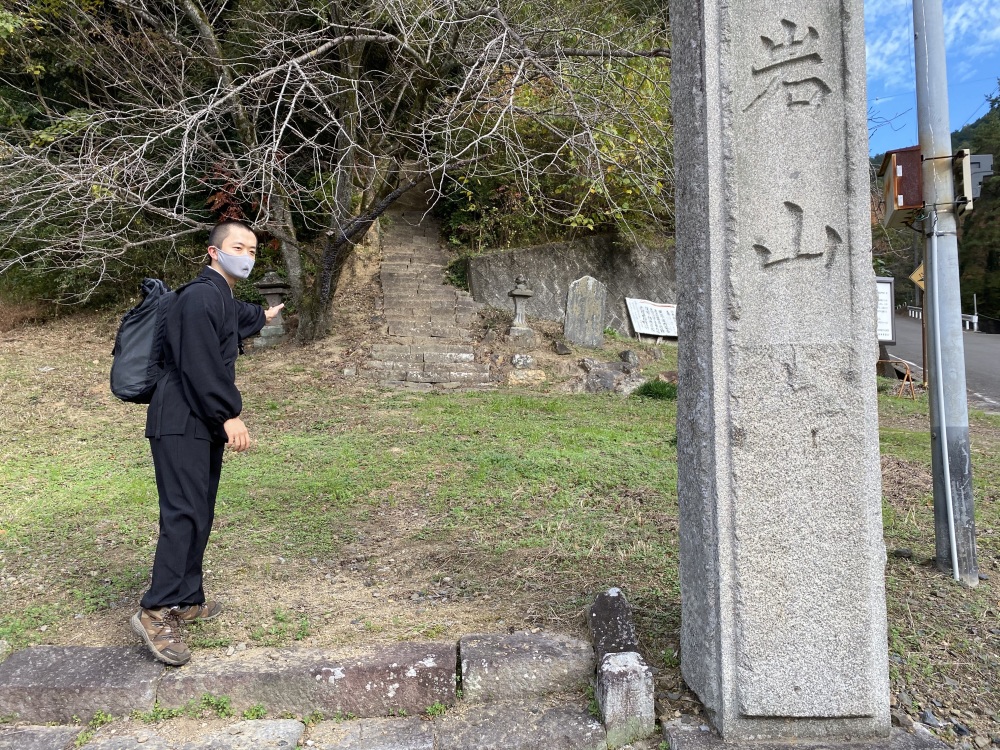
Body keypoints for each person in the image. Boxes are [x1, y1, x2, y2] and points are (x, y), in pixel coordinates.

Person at [131, 220, 284, 666]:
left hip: (196, 420)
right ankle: (155, 609)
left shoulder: (219, 295)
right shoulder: (199, 297)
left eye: (253, 250)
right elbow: (198, 363)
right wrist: (228, 414)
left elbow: (239, 318)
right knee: (182, 512)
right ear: (214, 252)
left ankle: (187, 597)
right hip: (182, 418)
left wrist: (264, 315)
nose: (248, 255)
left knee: (199, 508)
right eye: (239, 247)